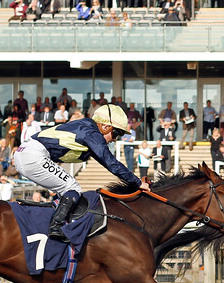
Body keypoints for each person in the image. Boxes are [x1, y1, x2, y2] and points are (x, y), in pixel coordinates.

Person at [13, 104, 148, 242]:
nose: (114, 139)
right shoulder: (92, 132)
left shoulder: (88, 129)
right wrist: (138, 183)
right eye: (116, 134)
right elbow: (111, 163)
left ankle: (54, 220)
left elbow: (106, 161)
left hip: (28, 153)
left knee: (66, 190)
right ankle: (55, 227)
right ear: (105, 126)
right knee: (73, 187)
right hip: (33, 155)